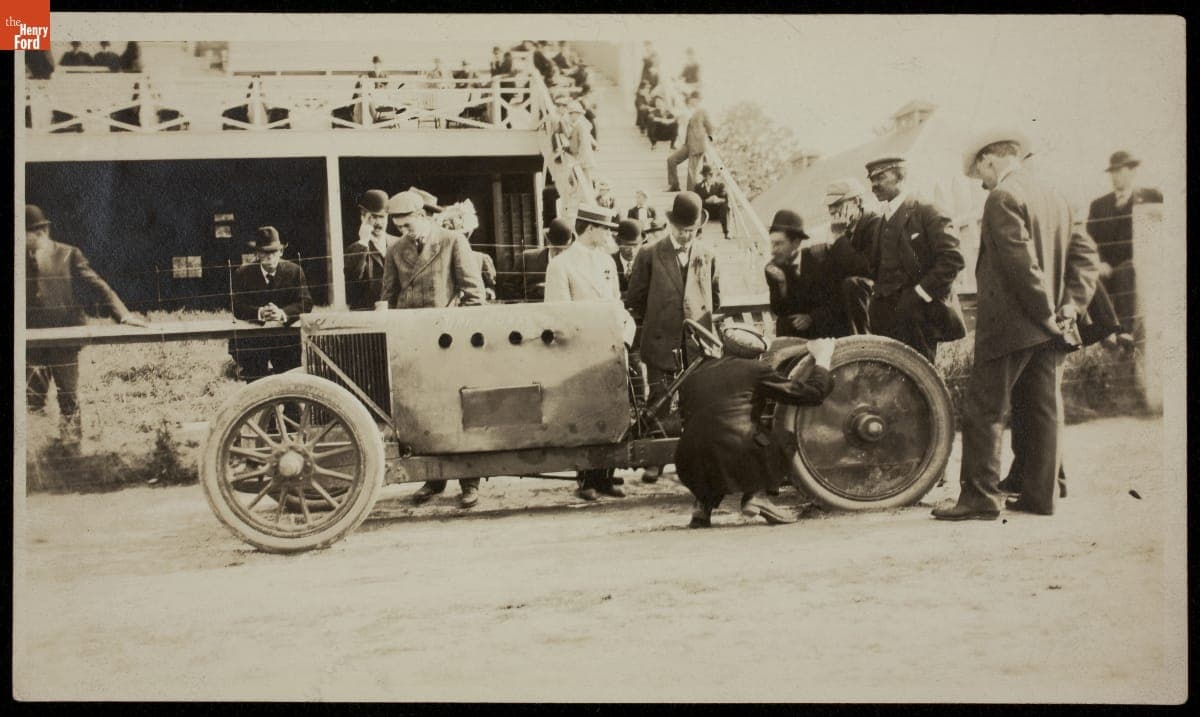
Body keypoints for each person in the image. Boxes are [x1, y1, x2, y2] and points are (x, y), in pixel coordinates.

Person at [933, 130, 1099, 521]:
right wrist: (1068, 310)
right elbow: (1085, 258)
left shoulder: (1002, 198)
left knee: (984, 410)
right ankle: (1041, 498)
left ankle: (980, 498)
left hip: (1012, 326)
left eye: (980, 173)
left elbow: (1020, 266)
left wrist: (1044, 315)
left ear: (991, 159)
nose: (981, 182)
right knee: (1044, 410)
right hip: (1052, 325)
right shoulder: (1058, 196)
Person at [382, 189, 486, 508]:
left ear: (423, 216)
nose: (403, 232)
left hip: (449, 344)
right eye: (398, 227)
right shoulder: (395, 251)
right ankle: (433, 478)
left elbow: (474, 294)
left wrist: (455, 328)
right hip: (412, 344)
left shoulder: (453, 241)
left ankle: (470, 482)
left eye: (407, 224)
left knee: (459, 411)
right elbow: (388, 296)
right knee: (422, 412)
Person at [677, 326, 836, 528]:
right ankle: (758, 496)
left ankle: (702, 505)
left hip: (687, 462)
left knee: (711, 437)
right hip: (734, 450)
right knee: (784, 437)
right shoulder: (756, 370)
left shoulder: (696, 374)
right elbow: (810, 394)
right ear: (758, 356)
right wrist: (823, 359)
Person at [25, 205, 148, 441]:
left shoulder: (68, 254)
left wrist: (124, 315)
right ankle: (39, 458)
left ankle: (73, 452)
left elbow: (98, 286)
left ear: (39, 232)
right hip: (31, 345)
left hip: (64, 342)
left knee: (68, 398)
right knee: (32, 400)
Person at [625, 191, 720, 484]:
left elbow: (714, 298)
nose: (685, 236)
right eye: (680, 230)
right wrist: (647, 335)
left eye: (690, 231)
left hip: (698, 342)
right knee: (659, 399)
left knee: (699, 400)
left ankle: (695, 459)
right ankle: (656, 460)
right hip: (660, 340)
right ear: (670, 225)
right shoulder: (649, 254)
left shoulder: (707, 254)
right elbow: (635, 299)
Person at [544, 206, 638, 501]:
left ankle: (606, 475)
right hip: (580, 352)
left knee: (612, 411)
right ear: (589, 229)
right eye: (605, 229)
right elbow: (558, 313)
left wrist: (624, 336)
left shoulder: (606, 260)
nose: (610, 234)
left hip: (609, 347)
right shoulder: (562, 265)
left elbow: (615, 303)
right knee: (583, 415)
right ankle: (586, 479)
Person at [861, 156, 966, 363]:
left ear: (900, 176)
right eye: (871, 179)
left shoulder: (927, 210)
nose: (874, 185)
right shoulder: (882, 219)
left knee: (922, 380)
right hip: (885, 318)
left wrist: (919, 294)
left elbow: (952, 259)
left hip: (918, 316)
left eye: (880, 177)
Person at [1085, 150, 1163, 349]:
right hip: (1105, 268)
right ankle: (1108, 332)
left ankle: (1125, 331)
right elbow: (1087, 240)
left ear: (1132, 172)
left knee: (1126, 270)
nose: (1115, 176)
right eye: (1112, 172)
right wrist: (1098, 262)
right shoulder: (1099, 205)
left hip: (1135, 268)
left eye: (1120, 171)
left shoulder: (1150, 197)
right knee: (1090, 276)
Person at [228, 226, 313, 383]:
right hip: (254, 341)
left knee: (290, 384)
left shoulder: (294, 271)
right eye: (265, 253)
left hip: (285, 341)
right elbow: (236, 305)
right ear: (258, 254)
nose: (270, 257)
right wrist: (259, 313)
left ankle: (291, 407)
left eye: (274, 252)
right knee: (256, 387)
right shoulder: (243, 273)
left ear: (281, 251)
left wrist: (282, 313)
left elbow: (306, 302)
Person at [764, 210, 855, 339]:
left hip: (825, 331)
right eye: (772, 243)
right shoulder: (774, 268)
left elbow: (838, 301)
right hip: (795, 334)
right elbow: (780, 311)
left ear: (796, 242)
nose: (773, 250)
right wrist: (782, 284)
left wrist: (811, 318)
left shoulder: (820, 259)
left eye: (779, 244)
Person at [824, 178, 881, 335]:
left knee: (852, 284)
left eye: (837, 204)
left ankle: (864, 343)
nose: (832, 211)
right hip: (856, 297)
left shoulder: (875, 224)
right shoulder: (844, 230)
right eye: (830, 206)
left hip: (879, 294)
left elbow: (865, 268)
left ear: (857, 201)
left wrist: (839, 238)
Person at [344, 189, 393, 310]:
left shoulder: (397, 243)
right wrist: (363, 242)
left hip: (394, 312)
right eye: (373, 217)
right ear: (363, 218)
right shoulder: (355, 248)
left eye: (382, 217)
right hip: (365, 313)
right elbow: (352, 280)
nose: (379, 222)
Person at [667, 92, 713, 192]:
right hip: (688, 144)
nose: (694, 101)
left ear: (699, 101)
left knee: (691, 172)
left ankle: (690, 195)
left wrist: (709, 141)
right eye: (693, 99)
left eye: (696, 100)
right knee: (671, 160)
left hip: (697, 145)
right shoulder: (688, 109)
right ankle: (674, 185)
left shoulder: (703, 111)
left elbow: (710, 127)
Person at [522, 217, 574, 301]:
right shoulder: (528, 259)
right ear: (549, 243)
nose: (560, 253)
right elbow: (509, 289)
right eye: (557, 249)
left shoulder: (573, 264)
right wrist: (537, 290)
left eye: (564, 249)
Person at [563, 101, 597, 184]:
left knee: (586, 182)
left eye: (571, 113)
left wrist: (579, 160)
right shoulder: (579, 124)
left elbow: (584, 144)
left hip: (584, 160)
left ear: (577, 113)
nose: (569, 116)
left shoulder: (581, 125)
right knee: (582, 181)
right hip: (581, 158)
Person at [694, 164, 729, 239]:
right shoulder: (698, 187)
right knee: (697, 207)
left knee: (725, 207)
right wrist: (706, 201)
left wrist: (718, 200)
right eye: (707, 175)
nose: (710, 177)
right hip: (705, 212)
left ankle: (726, 232)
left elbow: (725, 199)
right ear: (704, 176)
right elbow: (696, 201)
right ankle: (698, 232)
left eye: (711, 174)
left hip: (717, 211)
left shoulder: (720, 186)